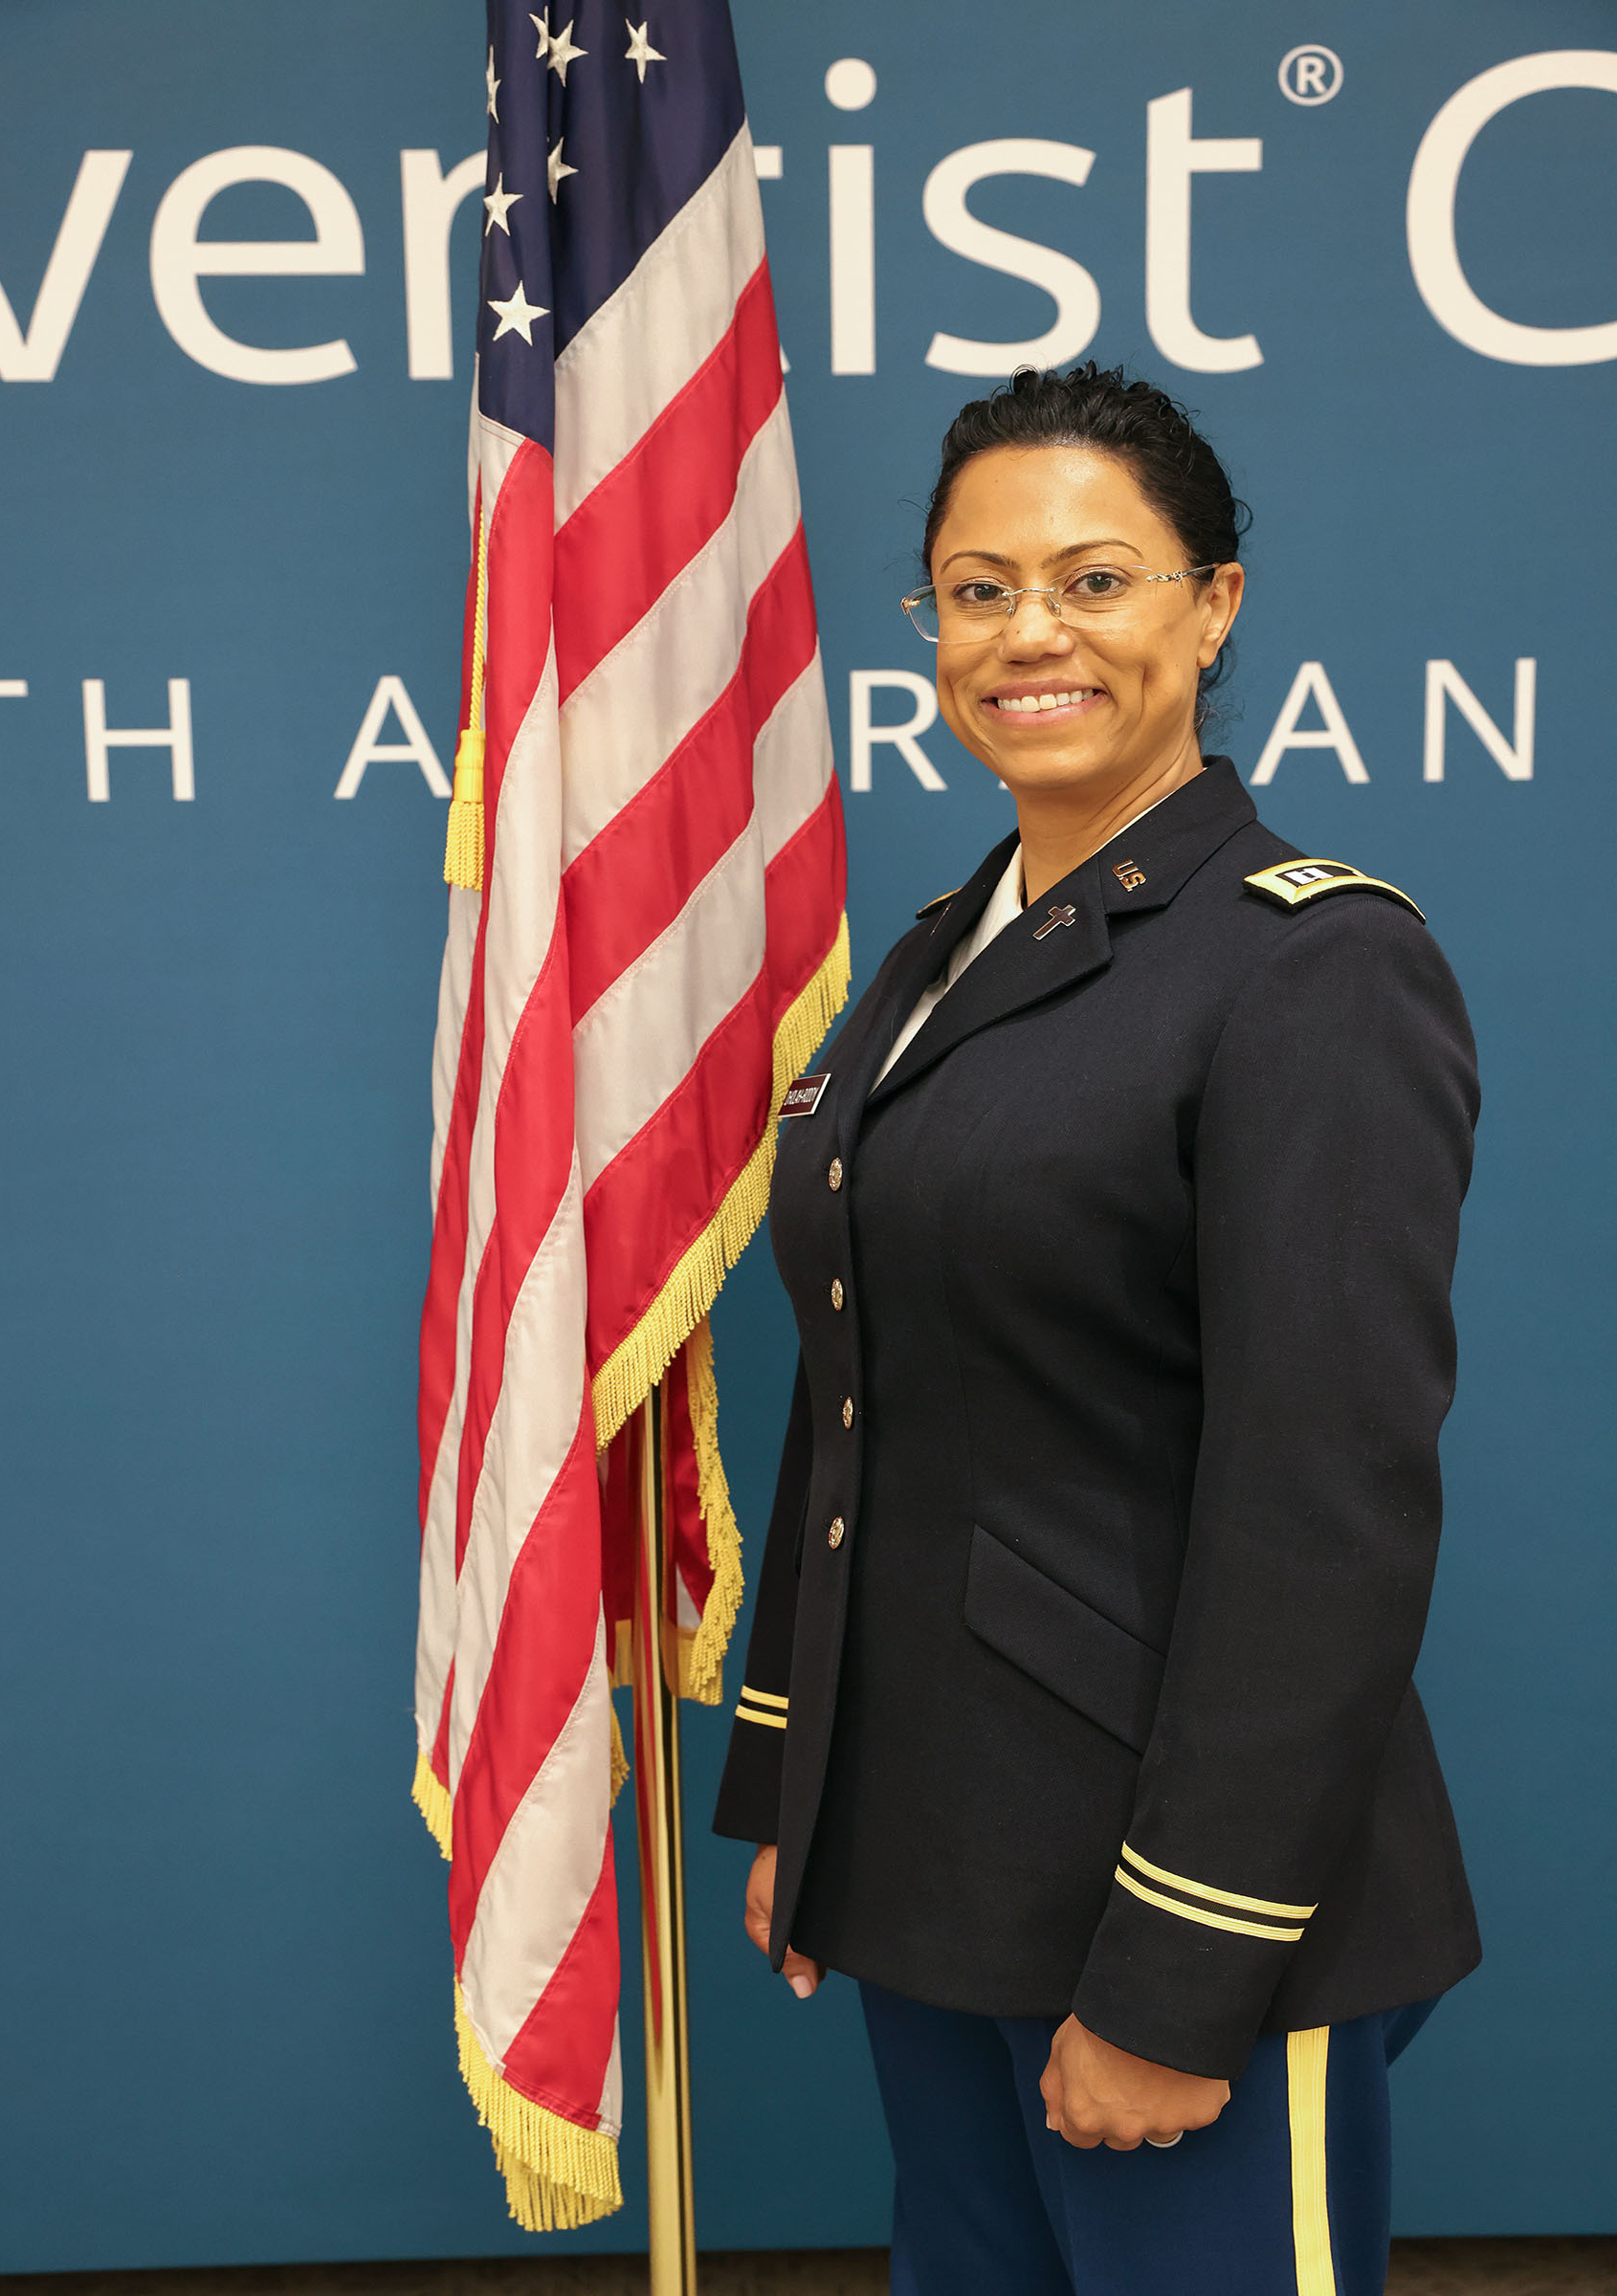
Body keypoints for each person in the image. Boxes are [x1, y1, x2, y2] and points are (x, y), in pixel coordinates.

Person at [712, 364, 1480, 2296]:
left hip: (1170, 1903)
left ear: (1212, 606)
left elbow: (1325, 1512)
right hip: (936, 1866)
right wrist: (805, 1798)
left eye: (1095, 577)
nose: (1028, 634)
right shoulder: (935, 959)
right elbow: (861, 1396)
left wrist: (1184, 1969)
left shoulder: (1312, 965)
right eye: (976, 591)